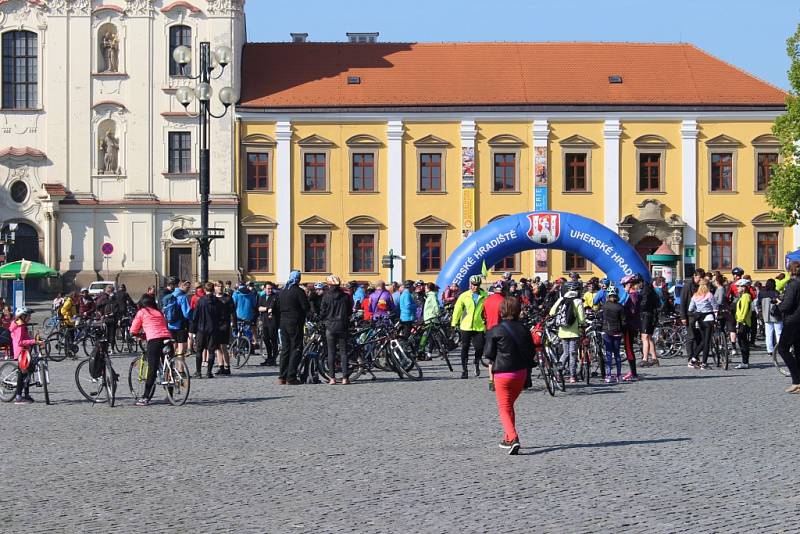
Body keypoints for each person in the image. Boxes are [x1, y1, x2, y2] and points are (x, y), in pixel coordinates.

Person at [484, 296, 534, 455]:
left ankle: (513, 438)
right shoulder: (524, 329)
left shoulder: (495, 330)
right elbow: (531, 351)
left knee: (504, 408)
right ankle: (507, 437)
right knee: (509, 405)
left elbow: (488, 353)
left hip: (503, 373)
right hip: (520, 373)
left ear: (501, 311)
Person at [129, 294, 173, 406]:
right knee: (168, 367)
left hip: (154, 341)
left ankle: (145, 397)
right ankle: (170, 396)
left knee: (152, 369)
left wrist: (140, 335)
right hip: (167, 338)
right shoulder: (158, 312)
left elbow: (133, 330)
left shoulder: (142, 312)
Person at [451, 275, 488, 379]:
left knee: (480, 348)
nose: (475, 287)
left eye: (477, 285)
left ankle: (476, 362)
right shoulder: (464, 296)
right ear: (469, 284)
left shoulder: (485, 296)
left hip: (479, 326)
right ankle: (464, 370)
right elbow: (457, 310)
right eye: (473, 284)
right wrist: (454, 324)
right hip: (466, 326)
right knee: (465, 348)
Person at [277, 270, 310, 385]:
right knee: (296, 348)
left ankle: (282, 376)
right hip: (295, 322)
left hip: (283, 322)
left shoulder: (283, 291)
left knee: (285, 349)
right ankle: (291, 377)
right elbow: (305, 307)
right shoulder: (298, 291)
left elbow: (277, 306)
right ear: (298, 279)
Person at [549, 280, 585, 383]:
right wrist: (582, 324)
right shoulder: (577, 301)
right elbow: (581, 318)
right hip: (574, 332)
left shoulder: (561, 299)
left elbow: (552, 312)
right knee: (573, 353)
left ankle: (558, 373)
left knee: (565, 353)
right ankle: (572, 376)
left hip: (562, 331)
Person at [320, 275, 352, 385]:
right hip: (342, 326)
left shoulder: (326, 297)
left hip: (330, 326)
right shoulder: (345, 296)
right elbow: (349, 312)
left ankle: (332, 378)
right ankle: (344, 378)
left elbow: (322, 312)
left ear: (329, 285)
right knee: (343, 353)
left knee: (331, 352)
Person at [10, 307, 42, 404]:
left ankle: (26, 394)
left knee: (30, 370)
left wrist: (35, 339)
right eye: (28, 316)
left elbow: (26, 338)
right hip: (21, 352)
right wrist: (33, 341)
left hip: (25, 351)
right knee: (23, 373)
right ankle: (18, 397)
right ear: (23, 316)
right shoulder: (20, 326)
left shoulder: (22, 325)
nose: (30, 318)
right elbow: (20, 342)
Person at [777, 261, 800, 393]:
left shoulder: (792, 285)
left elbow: (787, 304)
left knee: (783, 348)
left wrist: (777, 308)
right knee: (798, 351)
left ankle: (796, 380)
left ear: (790, 271)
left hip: (793, 320)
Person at [193, 282, 222, 378]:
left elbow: (195, 316)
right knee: (211, 351)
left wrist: (193, 329)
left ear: (205, 290)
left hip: (201, 328)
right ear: (213, 289)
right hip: (213, 329)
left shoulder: (200, 300)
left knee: (199, 350)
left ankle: (198, 372)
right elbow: (220, 315)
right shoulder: (217, 301)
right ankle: (209, 372)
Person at [687, 280, 718, 369]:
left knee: (703, 341)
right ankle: (704, 363)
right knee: (707, 342)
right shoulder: (709, 295)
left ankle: (693, 359)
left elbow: (690, 309)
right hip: (708, 318)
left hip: (699, 319)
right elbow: (715, 306)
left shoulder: (695, 295)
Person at [679, 269, 705, 365]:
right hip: (689, 315)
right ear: (694, 276)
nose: (700, 279)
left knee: (698, 337)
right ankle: (690, 358)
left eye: (702, 278)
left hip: (700, 315)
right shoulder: (687, 286)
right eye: (699, 277)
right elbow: (683, 302)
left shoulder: (702, 286)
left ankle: (696, 357)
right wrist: (683, 317)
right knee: (691, 337)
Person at [602, 287, 625, 383]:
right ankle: (619, 375)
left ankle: (608, 375)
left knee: (608, 354)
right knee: (617, 354)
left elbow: (601, 317)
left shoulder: (605, 306)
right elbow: (624, 321)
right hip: (617, 332)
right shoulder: (620, 307)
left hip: (607, 331)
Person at [163, 280, 192, 358]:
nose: (188, 289)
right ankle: (180, 369)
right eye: (187, 287)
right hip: (180, 325)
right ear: (182, 286)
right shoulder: (183, 297)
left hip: (169, 324)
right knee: (181, 349)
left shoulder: (170, 295)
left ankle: (169, 368)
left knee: (172, 347)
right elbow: (186, 314)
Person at [215, 280, 235, 374]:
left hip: (224, 324)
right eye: (218, 286)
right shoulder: (213, 298)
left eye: (221, 286)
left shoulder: (227, 298)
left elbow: (233, 312)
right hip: (215, 325)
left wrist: (234, 323)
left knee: (223, 346)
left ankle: (227, 366)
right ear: (214, 287)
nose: (220, 288)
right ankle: (220, 366)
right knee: (217, 347)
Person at [758, 278, 782, 356]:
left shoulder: (761, 293)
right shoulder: (776, 293)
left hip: (766, 315)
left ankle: (770, 350)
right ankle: (781, 349)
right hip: (776, 315)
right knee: (779, 332)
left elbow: (758, 303)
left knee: (768, 334)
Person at [639, 278, 660, 367]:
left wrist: (637, 306)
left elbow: (644, 304)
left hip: (646, 315)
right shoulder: (651, 291)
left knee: (645, 337)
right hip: (652, 315)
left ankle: (645, 359)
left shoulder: (645, 291)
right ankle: (654, 358)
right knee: (650, 337)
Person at [733, 278, 753, 370]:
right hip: (743, 322)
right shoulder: (744, 296)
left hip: (743, 322)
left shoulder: (745, 296)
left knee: (743, 343)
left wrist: (739, 320)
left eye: (738, 286)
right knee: (742, 342)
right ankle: (744, 361)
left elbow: (744, 310)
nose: (737, 288)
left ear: (744, 287)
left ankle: (745, 362)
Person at [258, 282, 279, 366]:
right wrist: (266, 308)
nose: (269, 290)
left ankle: (273, 358)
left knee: (273, 339)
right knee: (266, 339)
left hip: (273, 321)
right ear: (264, 289)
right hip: (264, 321)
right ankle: (269, 357)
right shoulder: (262, 297)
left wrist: (266, 309)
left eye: (271, 288)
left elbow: (273, 308)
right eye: (268, 288)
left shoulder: (275, 297)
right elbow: (259, 308)